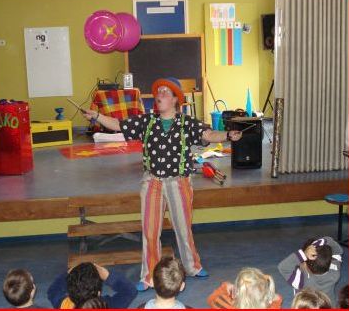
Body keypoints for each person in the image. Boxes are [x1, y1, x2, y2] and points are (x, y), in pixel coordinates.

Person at [82, 77, 242, 291]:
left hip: (179, 182)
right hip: (152, 183)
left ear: (176, 99)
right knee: (150, 232)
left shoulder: (187, 123)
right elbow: (119, 125)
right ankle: (149, 276)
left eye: (166, 92)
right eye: (159, 92)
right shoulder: (147, 121)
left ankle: (192, 266)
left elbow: (209, 134)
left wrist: (228, 135)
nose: (159, 95)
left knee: (183, 229)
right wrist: (97, 116)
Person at [278, 236, 343, 304]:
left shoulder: (301, 280)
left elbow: (283, 267)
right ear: (330, 261)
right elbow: (338, 251)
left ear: (305, 264)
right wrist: (323, 241)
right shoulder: (335, 272)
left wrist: (303, 254)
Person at [47, 262, 137, 309]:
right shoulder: (108, 305)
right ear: (98, 293)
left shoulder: (64, 305)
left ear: (70, 293)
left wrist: (68, 273)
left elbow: (53, 291)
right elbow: (130, 291)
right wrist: (108, 275)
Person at [207, 267, 282, 309]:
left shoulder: (226, 304)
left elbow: (212, 299)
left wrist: (225, 287)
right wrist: (276, 301)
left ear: (236, 291)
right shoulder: (269, 307)